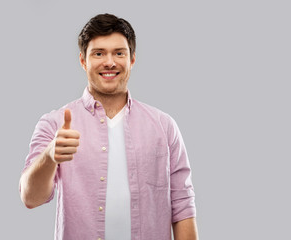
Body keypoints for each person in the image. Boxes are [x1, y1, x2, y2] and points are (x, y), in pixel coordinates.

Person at [19, 13, 198, 240]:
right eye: (99, 53)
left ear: (132, 59)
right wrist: (50, 156)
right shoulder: (53, 123)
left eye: (119, 53)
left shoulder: (164, 126)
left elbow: (182, 205)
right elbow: (30, 198)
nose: (110, 62)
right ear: (83, 61)